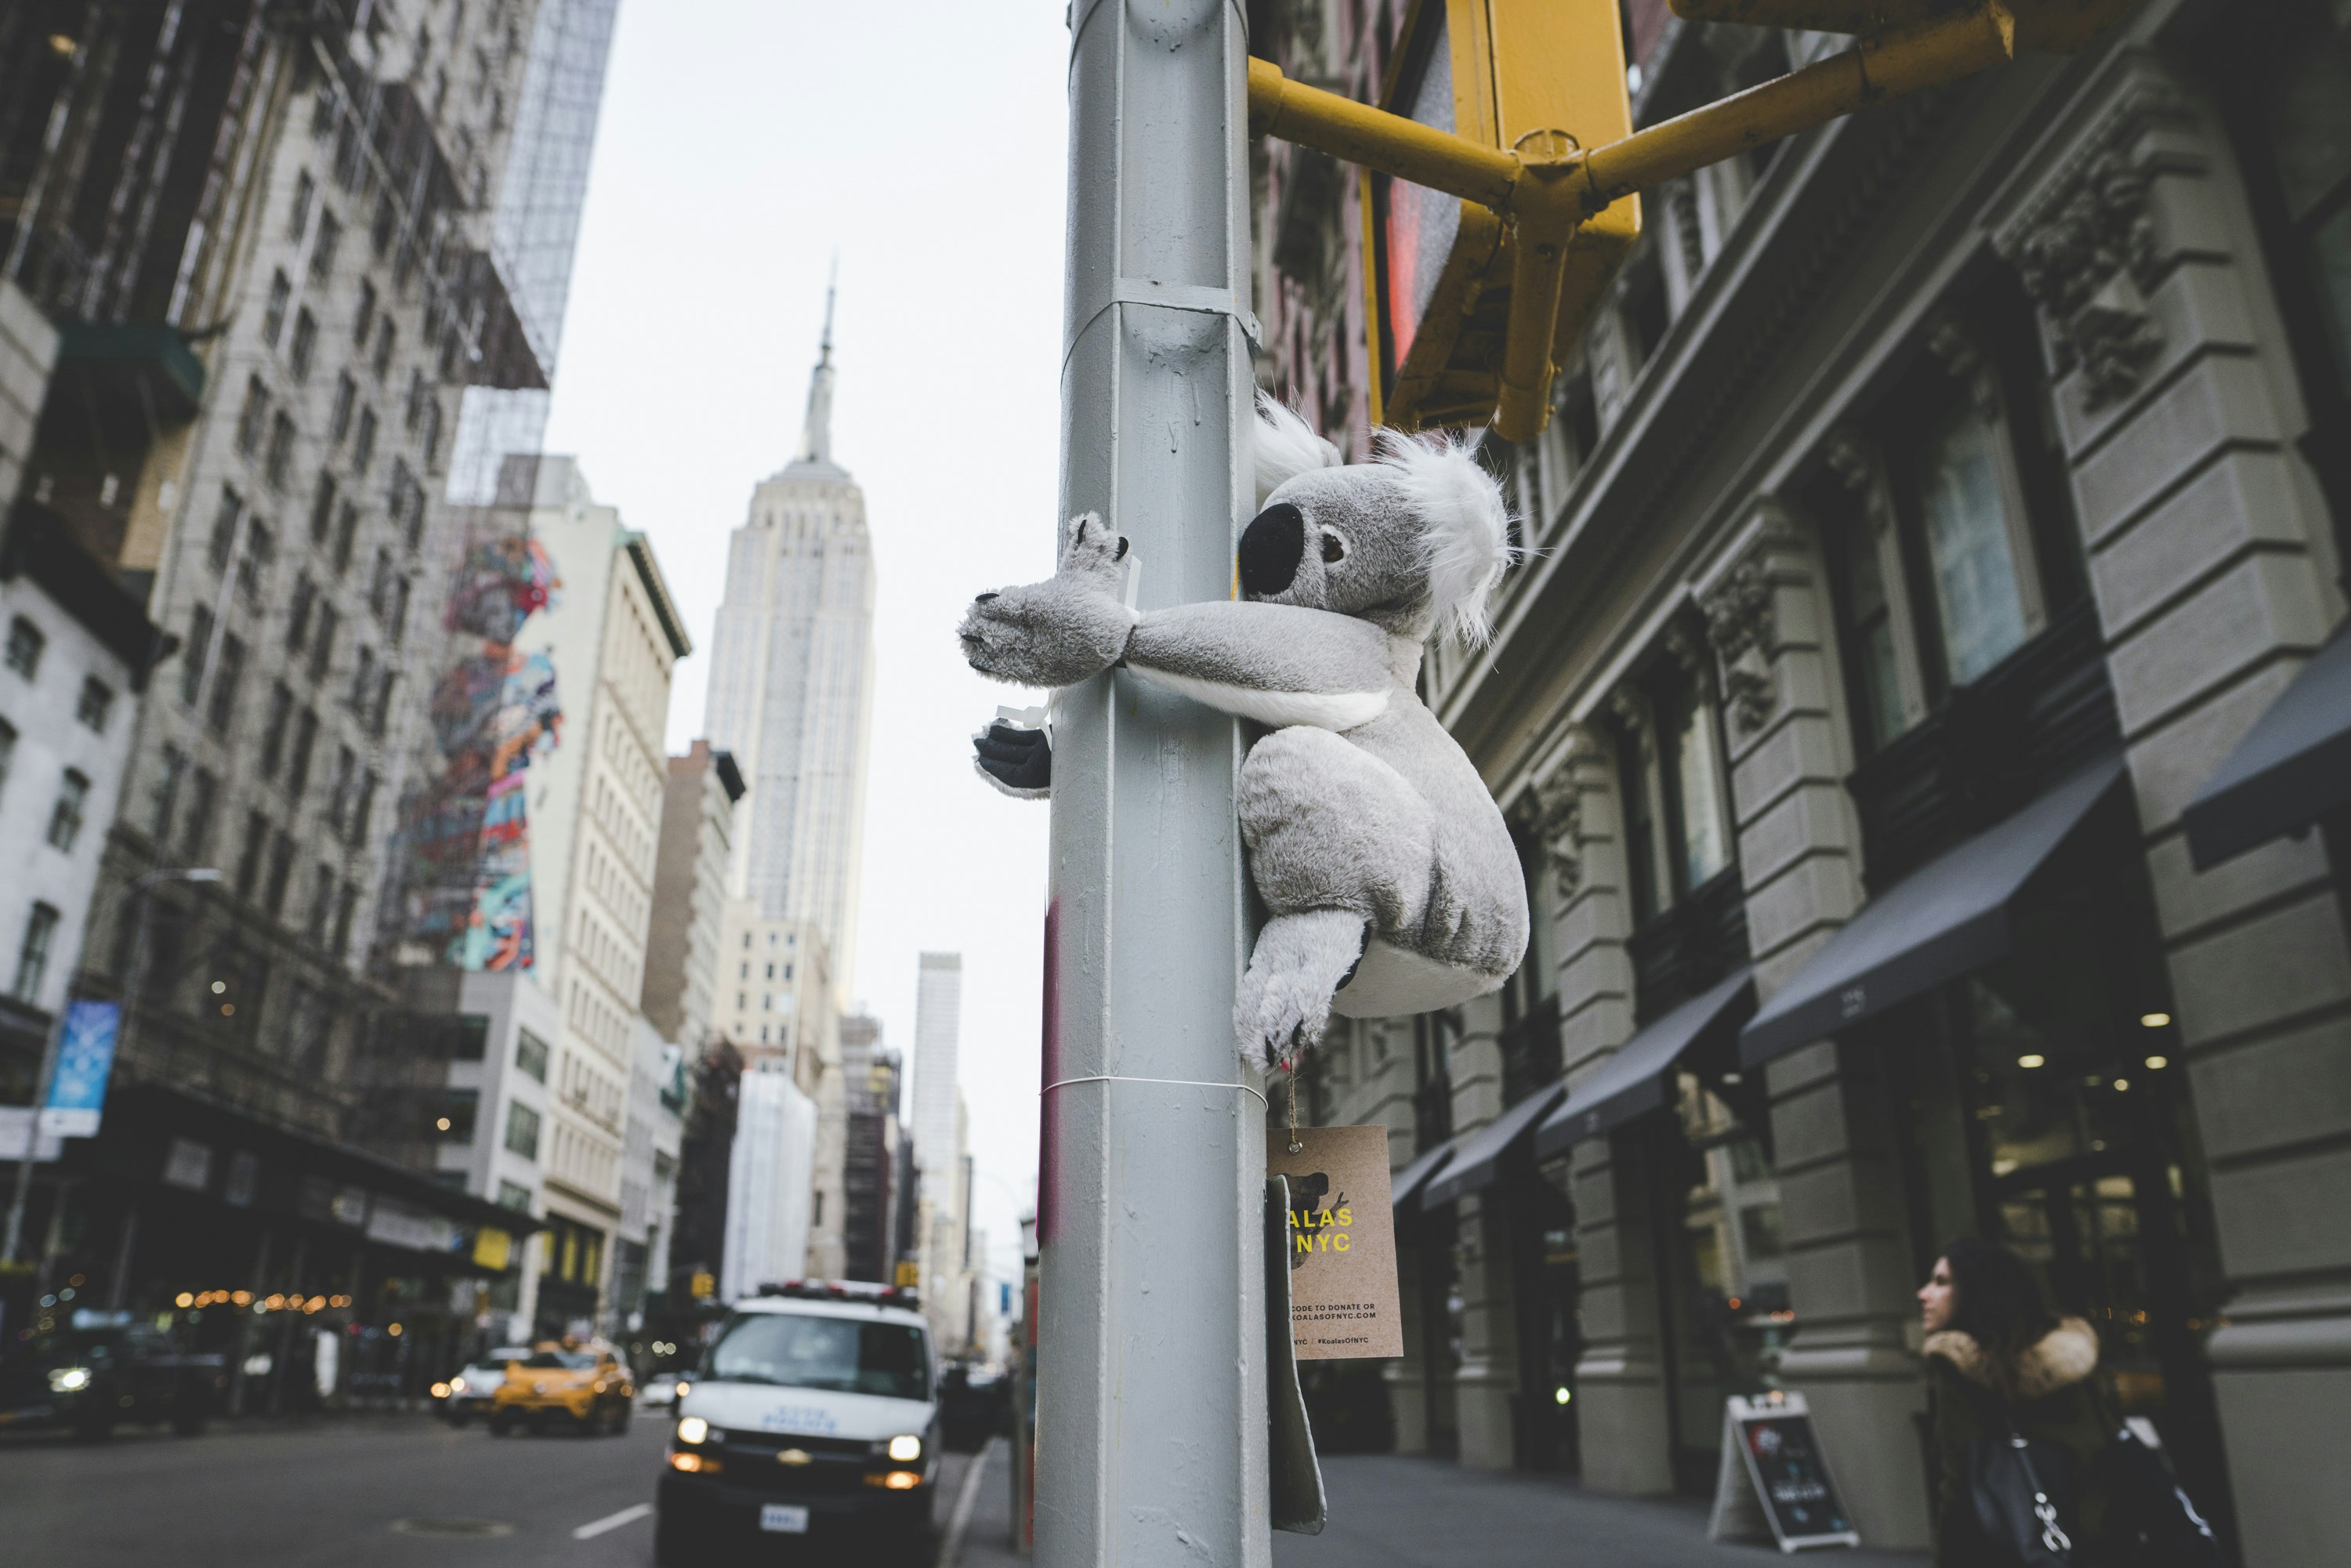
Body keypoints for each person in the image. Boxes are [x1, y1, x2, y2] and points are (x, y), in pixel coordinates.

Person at [1920, 1238, 2112, 1566]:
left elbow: (1959, 1499)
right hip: (2097, 1550)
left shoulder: (1963, 1376)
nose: (1924, 1294)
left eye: (1941, 1282)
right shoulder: (2070, 1367)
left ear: (1977, 1291)